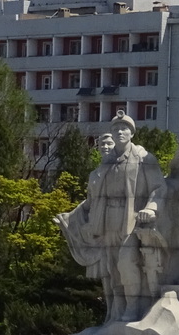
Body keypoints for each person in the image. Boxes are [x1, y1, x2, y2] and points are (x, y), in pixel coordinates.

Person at [58, 112, 167, 324]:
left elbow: (159, 188)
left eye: (124, 128)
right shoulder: (106, 164)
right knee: (112, 269)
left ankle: (134, 308)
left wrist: (152, 208)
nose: (119, 132)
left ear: (132, 133)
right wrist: (71, 218)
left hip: (132, 220)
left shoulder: (144, 158)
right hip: (107, 221)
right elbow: (93, 199)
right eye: (116, 129)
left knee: (127, 263)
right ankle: (117, 312)